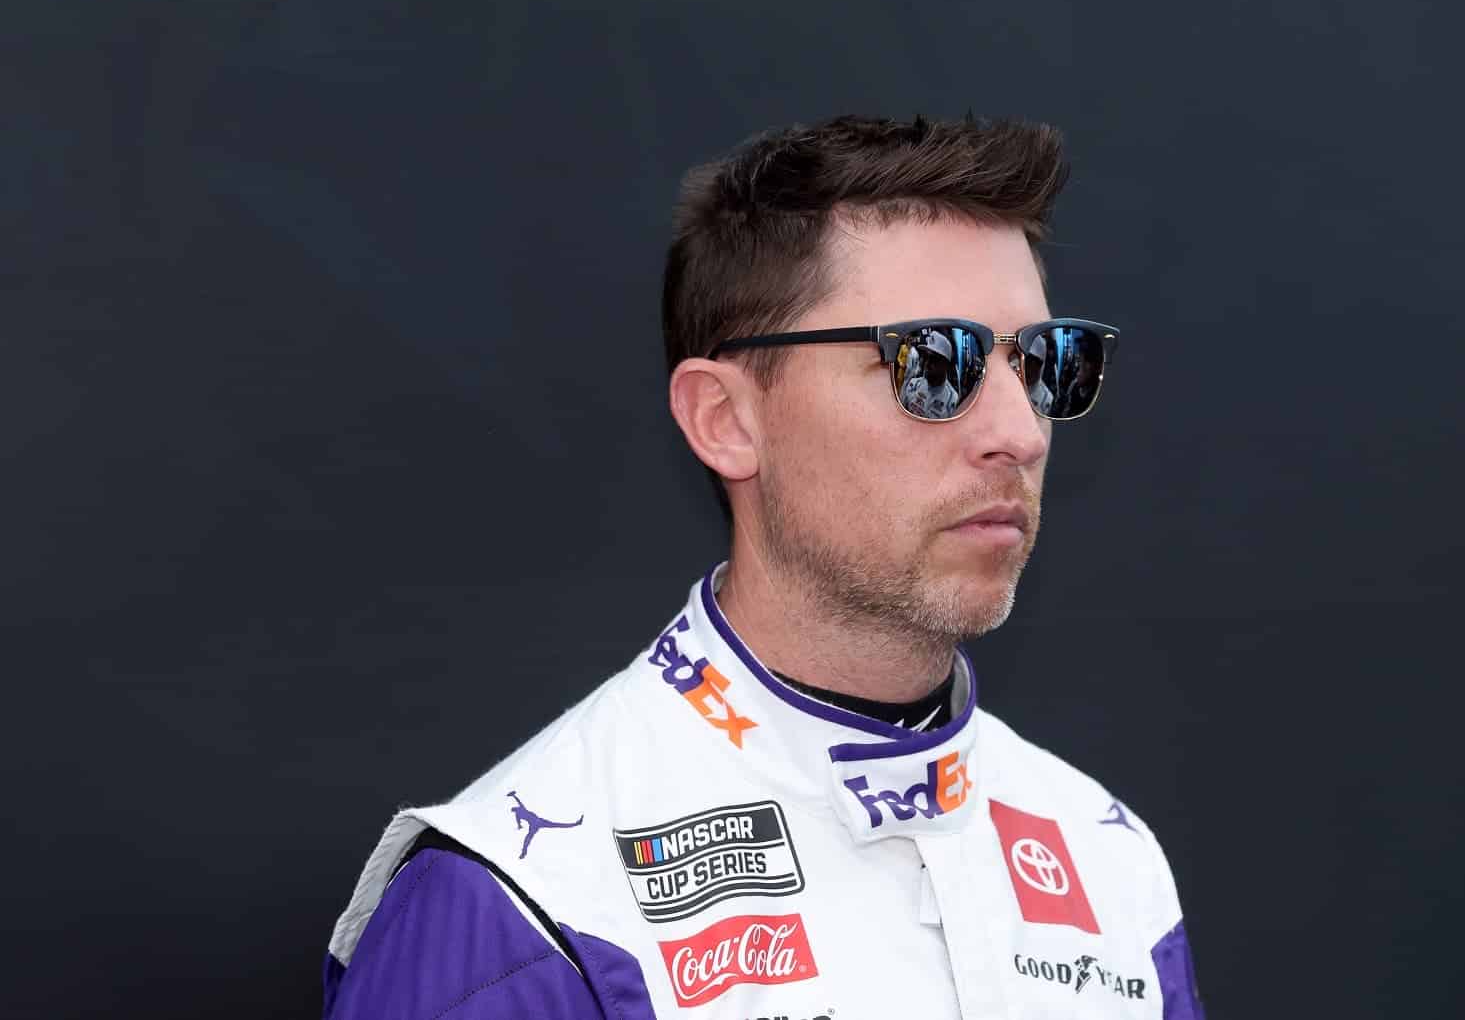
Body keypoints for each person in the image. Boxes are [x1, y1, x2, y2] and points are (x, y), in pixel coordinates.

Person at [322, 114, 1202, 1020]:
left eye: (1047, 363)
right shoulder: (529, 904)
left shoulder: (1109, 861)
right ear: (726, 421)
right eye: (936, 363)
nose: (1019, 433)